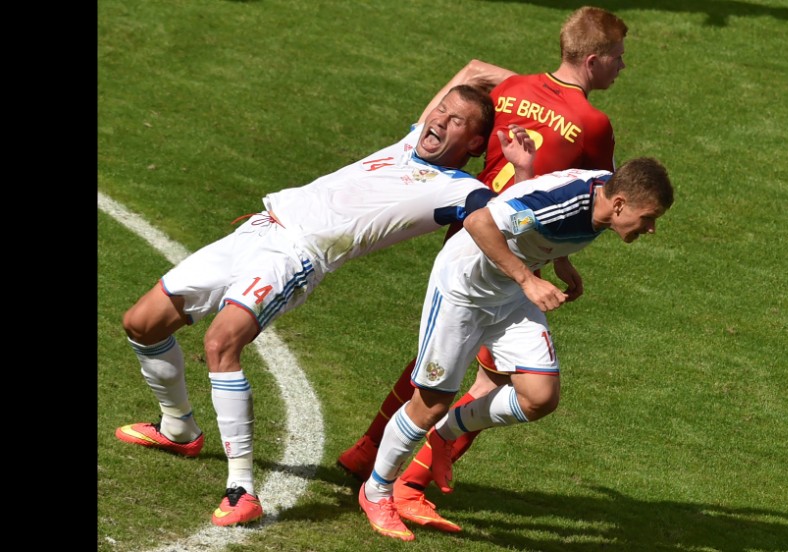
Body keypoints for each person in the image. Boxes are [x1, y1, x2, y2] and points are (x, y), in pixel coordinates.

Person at [113, 80, 536, 527]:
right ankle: (179, 428)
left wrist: (523, 174)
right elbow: (459, 81)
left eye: (456, 121)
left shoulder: (461, 191)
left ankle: (241, 490)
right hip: (256, 231)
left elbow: (515, 224)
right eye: (440, 112)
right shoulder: (411, 141)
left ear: (473, 142)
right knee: (142, 323)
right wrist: (492, 78)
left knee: (221, 343)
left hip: (296, 256)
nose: (439, 120)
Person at [337, 4, 629, 532]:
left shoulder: (513, 87)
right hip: (505, 252)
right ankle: (405, 485)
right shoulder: (593, 123)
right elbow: (593, 199)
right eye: (618, 59)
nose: (622, 69)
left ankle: (366, 453)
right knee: (489, 374)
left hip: (471, 224)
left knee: (444, 361)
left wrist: (416, 142)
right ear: (593, 60)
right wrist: (544, 266)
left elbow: (472, 72)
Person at [358, 157, 675, 541]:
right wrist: (528, 279)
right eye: (649, 218)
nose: (652, 228)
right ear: (621, 203)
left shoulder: (603, 197)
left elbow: (544, 221)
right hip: (464, 290)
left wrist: (561, 260)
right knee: (429, 404)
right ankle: (376, 492)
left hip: (506, 295)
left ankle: (446, 434)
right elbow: (479, 222)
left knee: (539, 396)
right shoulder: (569, 202)